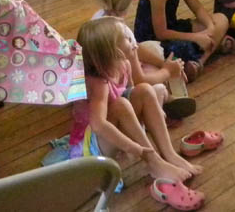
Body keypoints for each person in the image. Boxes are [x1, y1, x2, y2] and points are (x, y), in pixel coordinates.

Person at [68, 17, 206, 204]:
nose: (132, 39)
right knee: (121, 104)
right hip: (91, 147)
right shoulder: (99, 82)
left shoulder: (123, 65)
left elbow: (132, 94)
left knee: (145, 90)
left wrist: (153, 110)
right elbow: (98, 125)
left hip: (113, 129)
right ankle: (153, 162)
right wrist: (133, 147)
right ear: (114, 51)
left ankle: (169, 154)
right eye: (127, 37)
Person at [92, 0, 193, 119]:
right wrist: (167, 71)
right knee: (157, 86)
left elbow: (136, 48)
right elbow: (139, 80)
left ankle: (165, 100)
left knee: (152, 49)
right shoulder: (120, 31)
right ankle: (161, 106)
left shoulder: (97, 18)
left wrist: (162, 63)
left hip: (101, 85)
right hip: (119, 93)